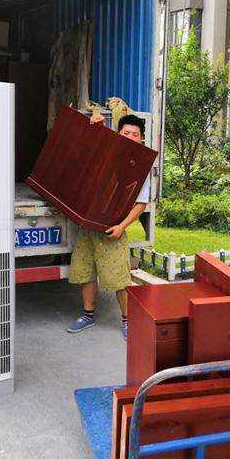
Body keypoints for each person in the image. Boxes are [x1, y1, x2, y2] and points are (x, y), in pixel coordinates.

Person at [66, 111, 150, 340]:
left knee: (119, 279)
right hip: (88, 227)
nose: (130, 137)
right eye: (125, 133)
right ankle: (88, 315)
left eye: (134, 134)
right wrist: (97, 126)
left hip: (113, 230)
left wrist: (122, 227)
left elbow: (140, 204)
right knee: (85, 272)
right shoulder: (108, 152)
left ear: (141, 139)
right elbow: (93, 145)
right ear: (118, 134)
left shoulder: (141, 166)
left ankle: (127, 321)